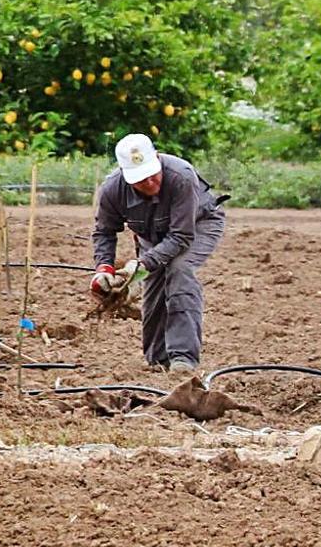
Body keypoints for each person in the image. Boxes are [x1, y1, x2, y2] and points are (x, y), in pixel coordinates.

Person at [90, 132, 227, 373]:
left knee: (179, 270)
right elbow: (104, 232)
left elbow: (181, 236)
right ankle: (157, 360)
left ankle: (183, 358)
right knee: (154, 289)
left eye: (152, 174)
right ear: (125, 175)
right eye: (141, 179)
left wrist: (142, 263)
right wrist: (104, 269)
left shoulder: (181, 176)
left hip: (196, 225)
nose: (150, 182)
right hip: (152, 234)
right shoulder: (112, 190)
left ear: (157, 158)